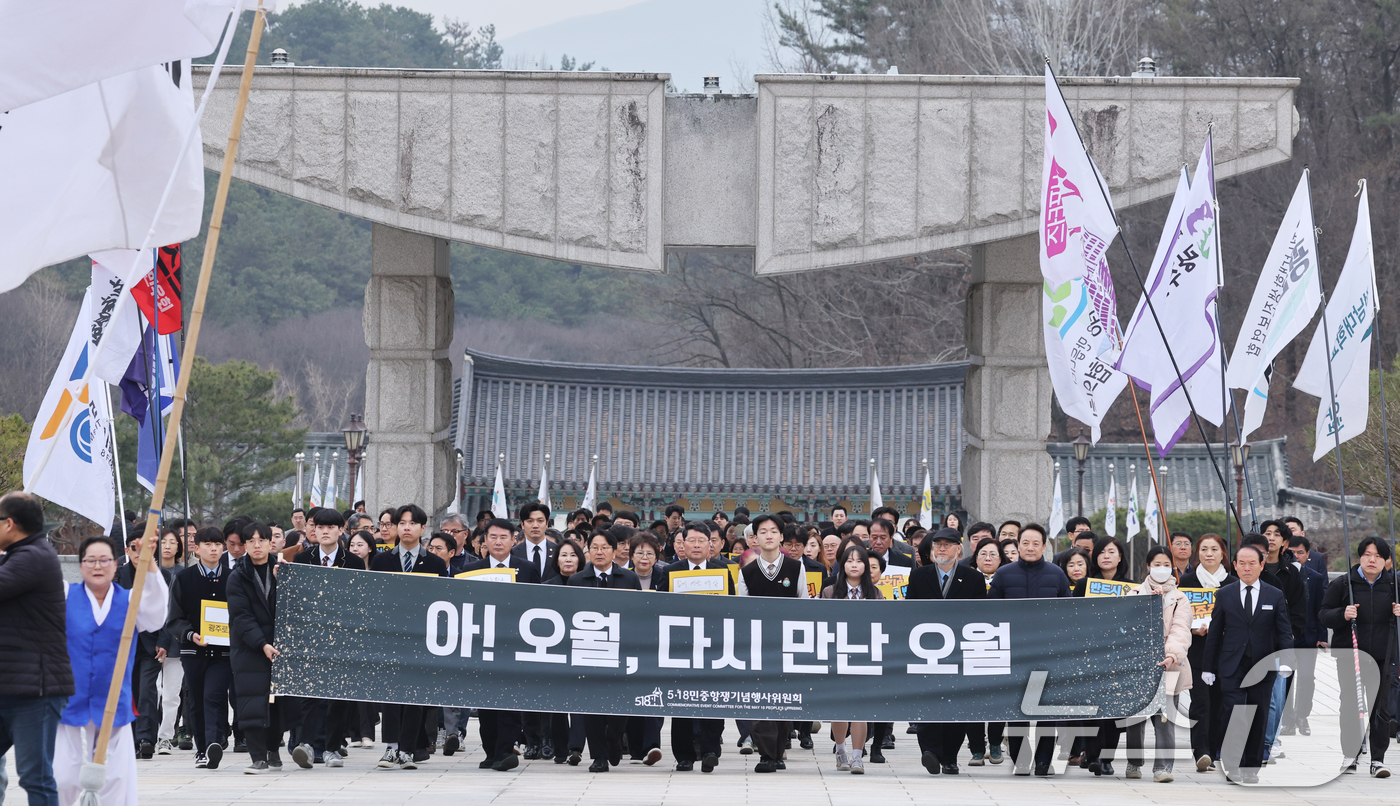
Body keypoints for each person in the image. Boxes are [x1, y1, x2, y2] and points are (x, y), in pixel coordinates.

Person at [53, 534, 167, 806]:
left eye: (104, 560)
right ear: (80, 566)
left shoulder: (130, 601)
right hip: (71, 705)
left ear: (115, 565)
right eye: (90, 560)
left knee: (115, 784)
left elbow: (158, 612)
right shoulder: (65, 596)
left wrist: (148, 563)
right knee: (64, 780)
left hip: (114, 707)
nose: (97, 566)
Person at [0, 492, 74, 806]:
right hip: (12, 684)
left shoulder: (33, 557)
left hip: (36, 691)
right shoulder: (20, 556)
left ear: (9, 524)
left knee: (35, 776)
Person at [1202, 544, 1293, 783]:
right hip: (1232, 664)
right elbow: (1214, 633)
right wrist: (1208, 667)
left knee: (1259, 712)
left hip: (1263, 664)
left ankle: (1251, 767)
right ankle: (1232, 765)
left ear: (1262, 565)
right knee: (1234, 711)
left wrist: (1286, 659)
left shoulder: (1273, 594)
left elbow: (1284, 631)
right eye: (1241, 563)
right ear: (1234, 565)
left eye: (1252, 563)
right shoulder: (1225, 593)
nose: (1247, 567)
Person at [368, 505, 447, 770]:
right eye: (401, 523)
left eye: (412, 523)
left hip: (421, 638)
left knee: (414, 696)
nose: (406, 527)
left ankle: (408, 749)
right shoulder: (381, 560)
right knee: (391, 695)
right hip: (391, 637)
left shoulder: (435, 563)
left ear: (423, 528)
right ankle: (391, 748)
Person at [988, 524, 1070, 776]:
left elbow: (1069, 615)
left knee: (1045, 710)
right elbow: (990, 612)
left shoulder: (1056, 574)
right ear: (1018, 545)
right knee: (1017, 710)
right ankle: (1021, 760)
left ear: (1045, 546)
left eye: (1036, 543)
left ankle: (1044, 761)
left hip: (1048, 652)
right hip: (1015, 652)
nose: (1030, 548)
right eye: (1025, 543)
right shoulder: (1003, 574)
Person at [460, 518, 541, 771]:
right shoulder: (472, 570)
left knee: (508, 703)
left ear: (513, 540)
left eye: (503, 537)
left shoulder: (527, 569)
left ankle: (505, 750)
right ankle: (490, 751)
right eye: (492, 537)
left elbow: (536, 607)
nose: (497, 541)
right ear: (484, 540)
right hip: (482, 646)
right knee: (486, 705)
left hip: (514, 646)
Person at [907, 528, 987, 774]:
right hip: (926, 651)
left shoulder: (972, 578)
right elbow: (908, 613)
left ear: (958, 549)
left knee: (956, 705)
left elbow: (982, 617)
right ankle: (930, 752)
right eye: (937, 545)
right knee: (928, 701)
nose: (941, 548)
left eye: (947, 544)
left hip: (960, 653)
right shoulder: (919, 576)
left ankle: (950, 757)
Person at [1319, 536, 1399, 777]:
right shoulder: (1345, 584)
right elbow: (1323, 614)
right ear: (1359, 557)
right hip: (1350, 654)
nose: (1371, 560)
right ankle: (1350, 755)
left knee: (1380, 708)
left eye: (1377, 556)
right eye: (1366, 554)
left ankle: (1377, 759)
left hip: (1384, 655)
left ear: (1386, 560)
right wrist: (1342, 614)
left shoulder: (1395, 585)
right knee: (1351, 706)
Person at [738, 515, 808, 773]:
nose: (769, 535)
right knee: (759, 698)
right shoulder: (747, 572)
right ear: (754, 539)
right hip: (758, 645)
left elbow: (805, 606)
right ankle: (766, 754)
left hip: (787, 644)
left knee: (783, 699)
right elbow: (741, 611)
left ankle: (778, 751)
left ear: (781, 537)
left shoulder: (795, 568)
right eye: (763, 531)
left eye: (774, 531)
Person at [568, 531, 642, 772]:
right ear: (588, 551)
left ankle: (614, 738)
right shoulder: (577, 581)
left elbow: (637, 615)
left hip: (620, 652)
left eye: (604, 547)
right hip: (589, 651)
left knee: (620, 709)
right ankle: (598, 756)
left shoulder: (629, 579)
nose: (599, 552)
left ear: (613, 551)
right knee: (592, 708)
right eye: (594, 547)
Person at [167, 527, 234, 769]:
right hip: (193, 650)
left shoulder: (233, 576)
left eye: (218, 544)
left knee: (214, 696)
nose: (214, 548)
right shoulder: (183, 578)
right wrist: (189, 634)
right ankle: (202, 748)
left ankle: (214, 743)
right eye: (207, 544)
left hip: (223, 652)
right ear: (197, 549)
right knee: (195, 698)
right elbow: (174, 618)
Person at [1125, 546, 1192, 783]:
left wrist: (1171, 655)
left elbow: (1181, 629)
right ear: (1148, 566)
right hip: (1139, 665)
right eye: (1157, 564)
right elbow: (1127, 629)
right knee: (1134, 718)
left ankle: (1163, 767)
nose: (1161, 569)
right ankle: (1134, 763)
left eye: (1166, 565)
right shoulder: (1133, 594)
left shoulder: (1180, 599)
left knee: (1164, 719)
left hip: (1169, 664)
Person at [225, 523, 283, 774]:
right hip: (249, 648)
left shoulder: (284, 572)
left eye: (262, 540)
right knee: (250, 702)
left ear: (271, 543)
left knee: (278, 704)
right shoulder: (237, 576)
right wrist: (262, 644)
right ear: (244, 546)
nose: (257, 545)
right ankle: (257, 756)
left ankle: (274, 749)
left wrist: (285, 585)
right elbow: (242, 617)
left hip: (280, 647)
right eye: (251, 541)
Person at [820, 545, 882, 774]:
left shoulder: (875, 594)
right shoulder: (829, 592)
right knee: (839, 708)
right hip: (836, 656)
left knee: (861, 708)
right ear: (842, 564)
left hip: (865, 656)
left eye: (859, 561)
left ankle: (858, 756)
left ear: (865, 566)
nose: (854, 564)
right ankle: (840, 750)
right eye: (849, 560)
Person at [114, 531, 176, 759]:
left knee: (147, 691)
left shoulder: (162, 576)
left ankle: (146, 738)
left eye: (144, 548)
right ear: (126, 550)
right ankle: (129, 740)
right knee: (128, 691)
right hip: (124, 644)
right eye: (133, 547)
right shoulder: (118, 575)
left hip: (152, 644)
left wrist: (163, 641)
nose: (138, 553)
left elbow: (169, 611)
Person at [1178, 533, 1235, 772]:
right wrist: (1192, 628)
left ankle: (1214, 750)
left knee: (1220, 703)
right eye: (1204, 549)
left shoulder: (1233, 583)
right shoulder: (1187, 582)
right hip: (1197, 651)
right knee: (1200, 702)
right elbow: (1177, 617)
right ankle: (1201, 751)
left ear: (1223, 554)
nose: (1208, 554)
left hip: (1225, 652)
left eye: (1214, 549)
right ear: (1197, 553)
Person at [1280, 532, 1328, 738]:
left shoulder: (1315, 578)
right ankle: (1288, 720)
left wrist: (1322, 635)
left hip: (1308, 635)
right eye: (1292, 552)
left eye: (1300, 553)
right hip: (1285, 636)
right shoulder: (1280, 574)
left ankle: (1302, 716)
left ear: (1308, 555)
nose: (1296, 556)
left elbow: (1320, 607)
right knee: (1286, 678)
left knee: (1307, 677)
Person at [512, 502, 557, 583]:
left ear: (546, 523)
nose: (535, 525)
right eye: (530, 521)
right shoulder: (513, 553)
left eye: (540, 521)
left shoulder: (558, 551)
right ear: (522, 524)